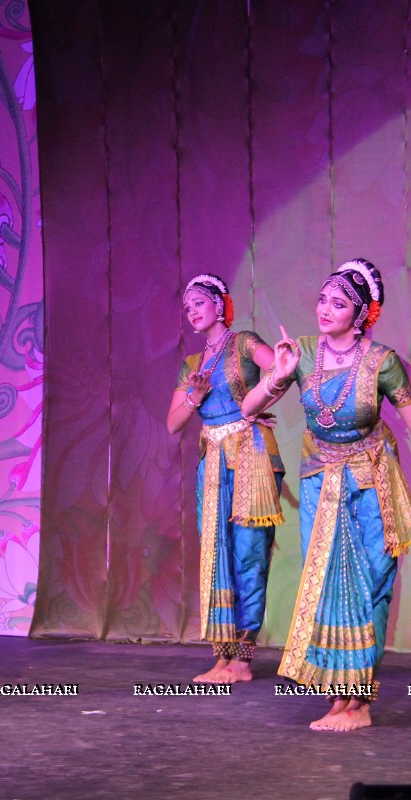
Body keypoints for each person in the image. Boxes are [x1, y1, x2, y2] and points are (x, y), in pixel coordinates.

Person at [242, 258, 411, 731]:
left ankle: (361, 702)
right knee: (332, 586)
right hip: (320, 485)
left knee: (373, 585)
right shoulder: (303, 354)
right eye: (322, 299)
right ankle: (338, 698)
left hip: (373, 484)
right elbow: (249, 408)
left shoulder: (382, 362)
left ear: (362, 314)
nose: (325, 309)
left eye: (339, 303)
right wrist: (279, 373)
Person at [167, 274, 284, 684]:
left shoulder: (246, 342)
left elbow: (283, 370)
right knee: (216, 556)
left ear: (220, 304)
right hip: (212, 464)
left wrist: (257, 403)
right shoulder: (192, 365)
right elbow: (173, 423)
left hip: (251, 455)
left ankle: (243, 661)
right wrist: (193, 399)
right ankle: (223, 655)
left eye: (200, 302)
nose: (193, 311)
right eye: (187, 307)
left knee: (249, 556)